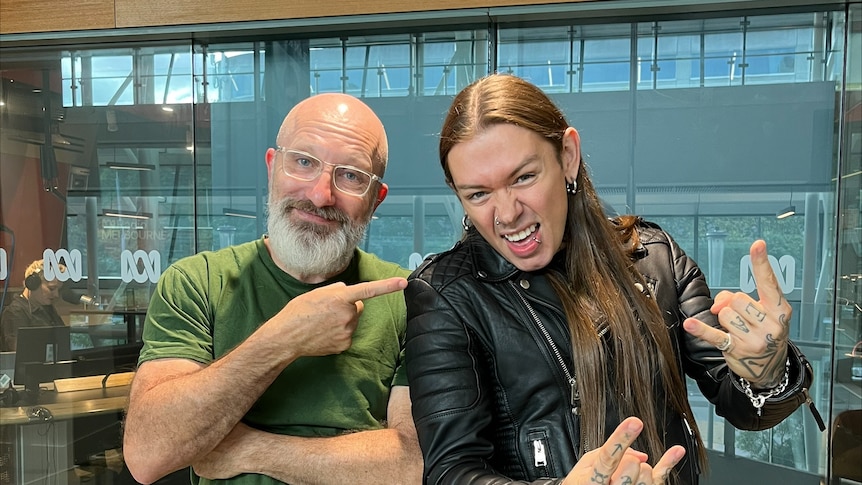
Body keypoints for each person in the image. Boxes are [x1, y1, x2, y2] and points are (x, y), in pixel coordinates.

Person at [404, 74, 822, 485]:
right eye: (478, 194)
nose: (507, 214)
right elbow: (450, 470)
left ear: (567, 155)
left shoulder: (653, 256)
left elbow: (743, 404)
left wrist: (768, 373)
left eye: (524, 177)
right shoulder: (444, 294)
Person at [123, 93, 423, 485]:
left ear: (375, 200)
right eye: (303, 162)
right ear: (272, 167)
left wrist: (251, 449)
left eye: (351, 175)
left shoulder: (408, 298)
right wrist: (285, 338)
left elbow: (414, 465)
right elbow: (148, 455)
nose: (320, 195)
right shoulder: (196, 283)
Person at [0, 259, 65, 351]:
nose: (56, 294)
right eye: (52, 288)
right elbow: (21, 354)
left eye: (58, 289)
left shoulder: (48, 309)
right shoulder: (15, 313)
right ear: (33, 284)